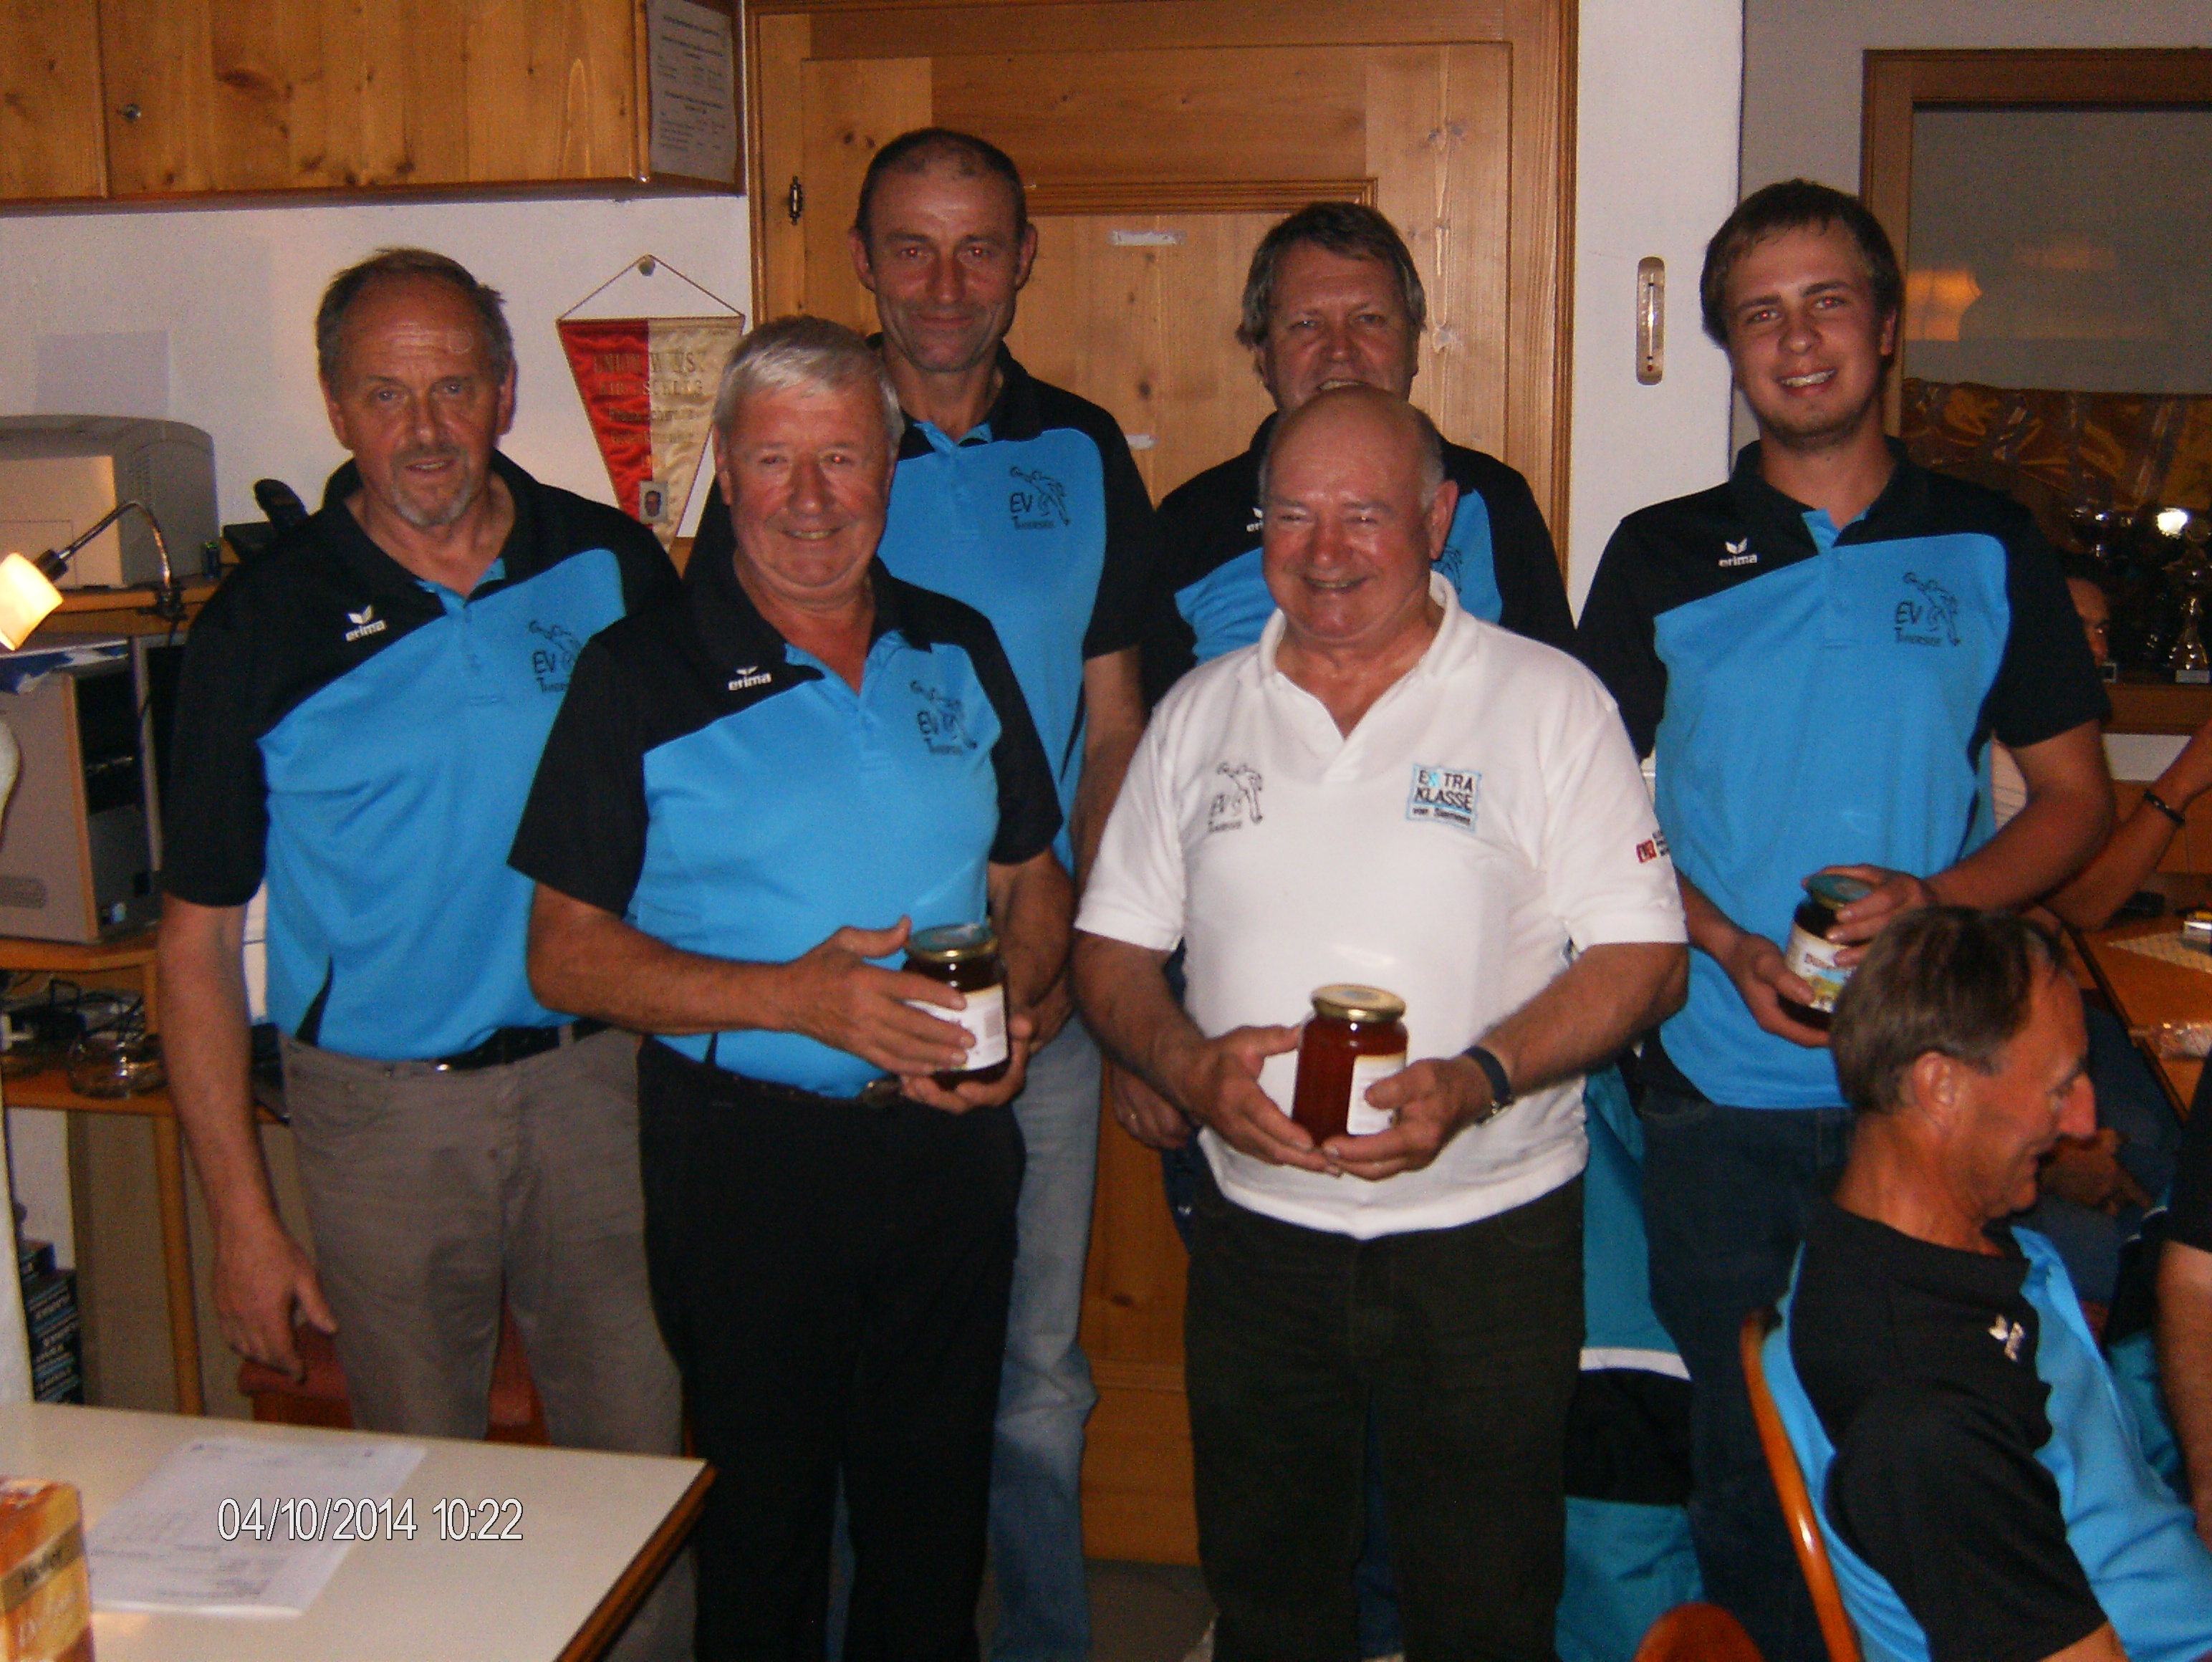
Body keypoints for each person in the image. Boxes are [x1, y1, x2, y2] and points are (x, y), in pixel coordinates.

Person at [1574, 178, 2114, 1662]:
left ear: (1882, 328)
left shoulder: (1985, 542)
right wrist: (1722, 941)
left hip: (1931, 1090)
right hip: (1717, 1091)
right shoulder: (1659, 551)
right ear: (1725, 349)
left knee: (1946, 1451)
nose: (1796, 339)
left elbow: (2072, 800)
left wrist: (1936, 900)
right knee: (1746, 1473)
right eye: (1759, 314)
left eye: (1825, 303)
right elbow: (1580, 814)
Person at [1074, 384, 1688, 1661]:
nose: (1325, 550)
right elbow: (1109, 949)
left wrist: (1480, 1077)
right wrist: (1185, 1065)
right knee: (1269, 1594)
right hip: (1257, 1240)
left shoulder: (1546, 700)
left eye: (1364, 514)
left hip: (1487, 1242)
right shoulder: (1199, 713)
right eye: (1292, 516)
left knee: (1484, 1605)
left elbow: (1646, 959)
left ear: (1438, 520)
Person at [511, 316, 1072, 1657]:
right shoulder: (638, 672)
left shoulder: (958, 643)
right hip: (746, 1163)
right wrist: (793, 1000)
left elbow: (1033, 878)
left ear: (890, 463)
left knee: (931, 1520)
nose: (811, 499)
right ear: (725, 466)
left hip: (947, 1150)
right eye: (774, 461)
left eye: (843, 457)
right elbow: (563, 952)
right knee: (764, 1530)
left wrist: (1017, 1013)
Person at [156, 248, 688, 1657]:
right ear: (337, 406)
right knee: (424, 1496)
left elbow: (702, 806)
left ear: (504, 392)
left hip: (601, 1084)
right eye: (386, 394)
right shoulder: (258, 624)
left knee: (637, 1479)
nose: (427, 428)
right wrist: (242, 1218)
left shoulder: (608, 565)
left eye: (454, 386)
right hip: (382, 1117)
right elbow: (194, 942)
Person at [687, 130, 1158, 1658]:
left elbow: (1112, 724)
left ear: (1023, 259)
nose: (943, 284)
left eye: (976, 247)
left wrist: (1063, 965)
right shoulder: (796, 447)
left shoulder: (1080, 450)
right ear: (862, 261)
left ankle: (1041, 1645)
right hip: (829, 1024)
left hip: (1033, 995)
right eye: (909, 245)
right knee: (838, 1388)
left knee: (1028, 1377)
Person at [1762, 906, 2212, 1662]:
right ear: (1940, 1085)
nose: (2084, 1121)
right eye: (2060, 1087)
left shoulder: (1917, 1232)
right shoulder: (1926, 1418)